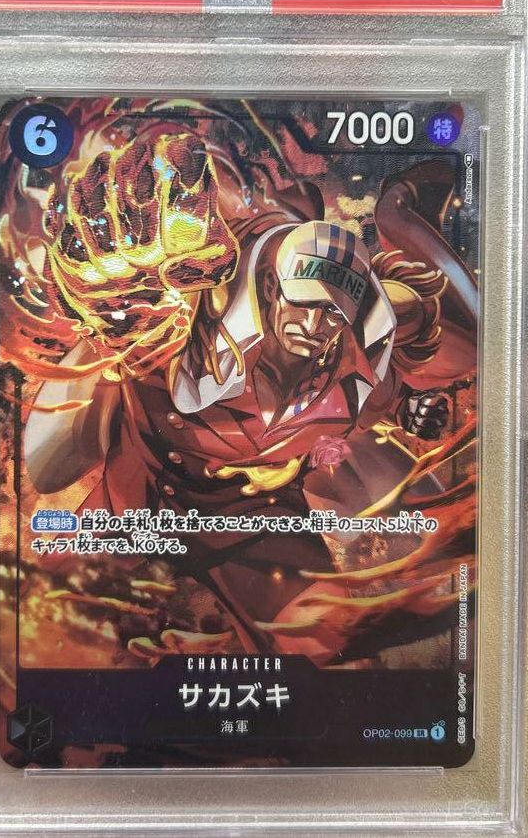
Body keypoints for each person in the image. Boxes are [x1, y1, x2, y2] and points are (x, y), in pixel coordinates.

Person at [25, 121, 477, 655]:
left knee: (320, 645)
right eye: (303, 305)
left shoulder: (357, 365)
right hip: (135, 507)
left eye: (332, 315)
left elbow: (399, 380)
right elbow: (56, 450)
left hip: (261, 526)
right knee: (46, 630)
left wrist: (410, 410)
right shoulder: (186, 322)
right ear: (270, 289)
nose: (313, 327)